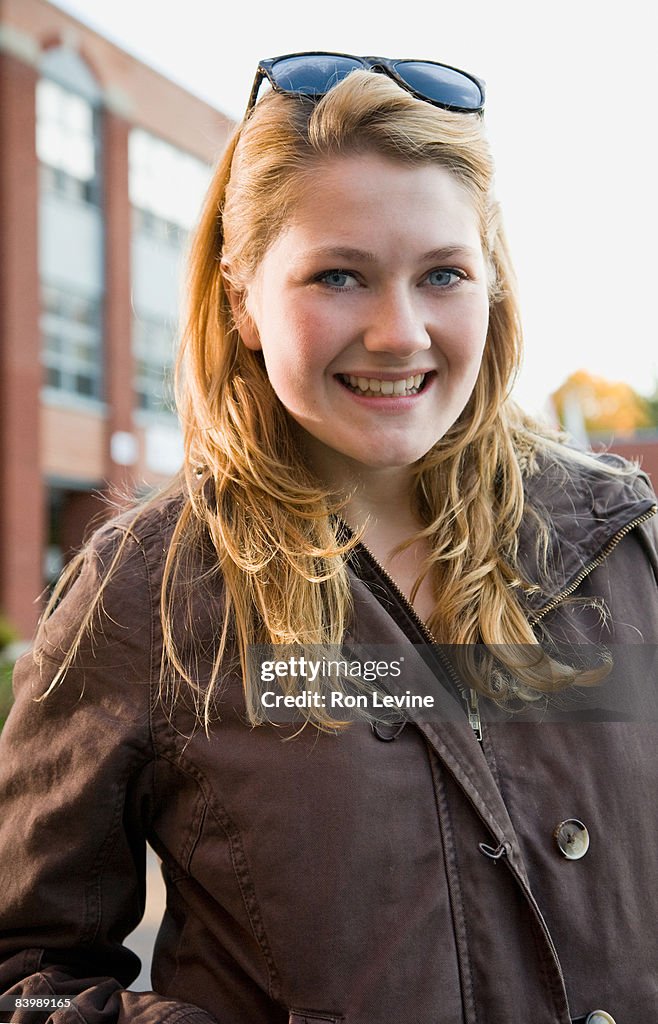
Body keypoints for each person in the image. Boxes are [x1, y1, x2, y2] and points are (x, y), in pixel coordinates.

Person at [1, 52, 657, 1024]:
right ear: (242, 297)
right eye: (339, 275)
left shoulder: (616, 543)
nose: (399, 332)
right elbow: (25, 971)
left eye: (442, 273)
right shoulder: (147, 588)